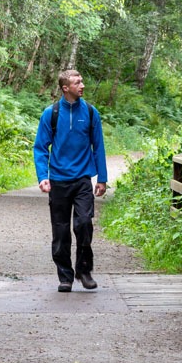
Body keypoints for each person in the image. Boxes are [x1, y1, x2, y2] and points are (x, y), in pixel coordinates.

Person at [33, 69, 108, 292]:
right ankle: (65, 276)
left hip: (83, 179)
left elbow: (99, 147)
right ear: (66, 88)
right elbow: (40, 148)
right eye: (77, 82)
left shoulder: (91, 113)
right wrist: (42, 177)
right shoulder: (51, 114)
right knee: (61, 230)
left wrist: (101, 179)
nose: (82, 85)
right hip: (58, 181)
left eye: (82, 81)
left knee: (84, 224)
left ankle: (84, 271)